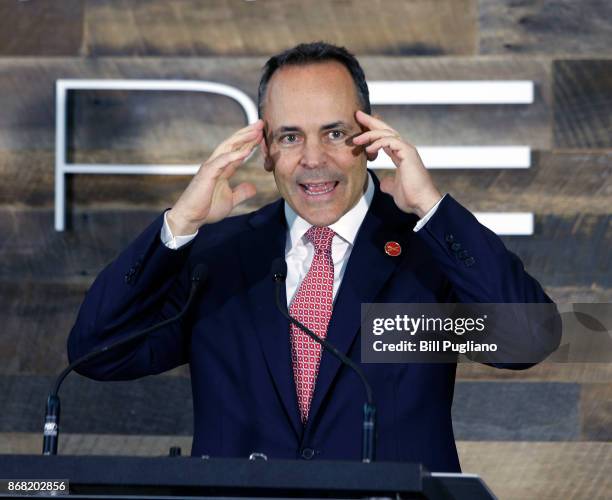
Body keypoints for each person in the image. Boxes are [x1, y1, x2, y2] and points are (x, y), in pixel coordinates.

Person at [68, 42, 559, 472]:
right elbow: (98, 352)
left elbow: (527, 338)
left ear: (368, 141)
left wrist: (431, 208)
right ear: (265, 151)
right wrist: (179, 225)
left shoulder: (425, 254)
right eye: (290, 136)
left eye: (334, 134)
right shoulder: (217, 258)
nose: (313, 159)